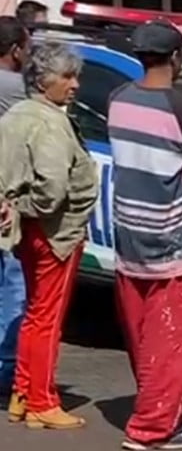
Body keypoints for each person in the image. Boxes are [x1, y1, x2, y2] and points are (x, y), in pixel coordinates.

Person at [108, 19, 182, 450]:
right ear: (176, 57)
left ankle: (158, 408)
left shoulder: (118, 99)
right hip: (175, 238)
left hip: (130, 235)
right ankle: (154, 426)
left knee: (144, 337)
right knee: (181, 339)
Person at [0, 40, 97, 429]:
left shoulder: (15, 115)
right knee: (46, 318)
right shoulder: (50, 122)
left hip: (28, 231)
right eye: (67, 77)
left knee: (34, 314)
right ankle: (40, 400)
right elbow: (52, 189)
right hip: (54, 232)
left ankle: (24, 393)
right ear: (43, 81)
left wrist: (15, 206)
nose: (74, 85)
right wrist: (28, 206)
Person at [0, 17, 28, 403]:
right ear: (16, 50)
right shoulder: (17, 89)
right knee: (13, 285)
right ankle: (6, 370)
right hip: (9, 196)